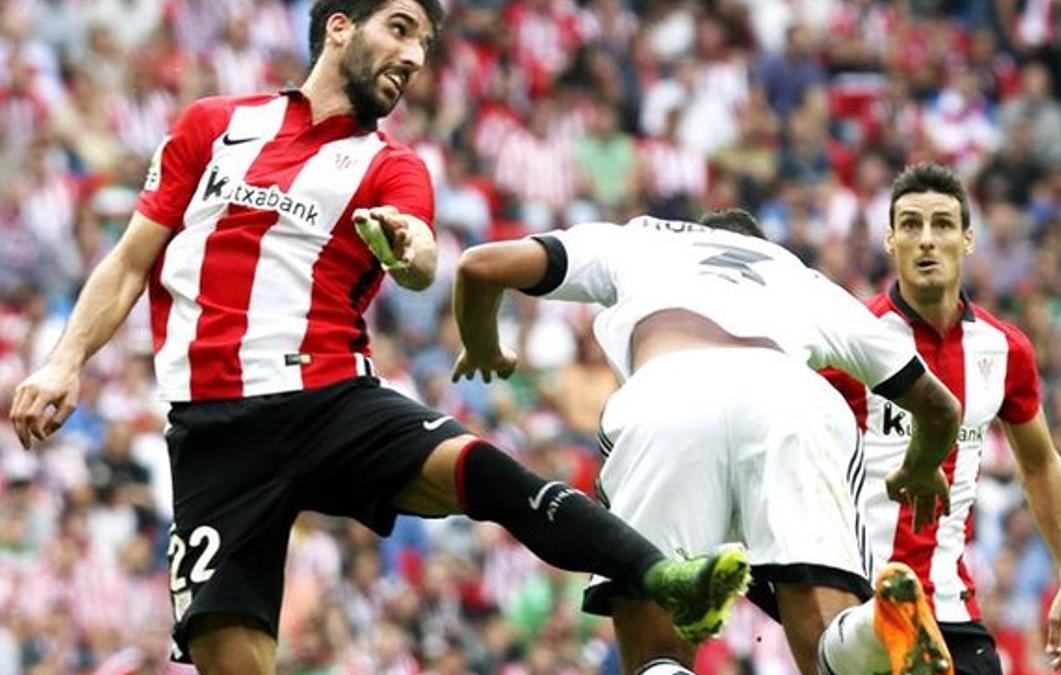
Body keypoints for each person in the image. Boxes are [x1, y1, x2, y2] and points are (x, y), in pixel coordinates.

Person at [6, 2, 750, 673]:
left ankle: (667, 579)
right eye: (400, 29)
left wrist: (407, 244)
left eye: (425, 44)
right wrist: (65, 360)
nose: (415, 56)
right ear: (339, 27)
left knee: (485, 469)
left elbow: (424, 257)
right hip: (214, 433)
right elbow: (132, 259)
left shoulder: (391, 165)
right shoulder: (215, 125)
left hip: (330, 399)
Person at [452, 209, 965, 675]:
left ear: (700, 231)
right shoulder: (805, 281)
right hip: (791, 403)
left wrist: (482, 346)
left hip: (667, 397)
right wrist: (920, 467)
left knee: (657, 651)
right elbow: (941, 408)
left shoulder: (640, 241)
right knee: (827, 645)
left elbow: (480, 266)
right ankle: (874, 626)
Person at [821, 162, 1061, 674]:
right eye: (911, 225)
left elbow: (1040, 465)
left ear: (967, 240)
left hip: (950, 607)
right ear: (890, 241)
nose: (927, 240)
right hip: (862, 607)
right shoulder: (852, 340)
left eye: (942, 225)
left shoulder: (1003, 349)